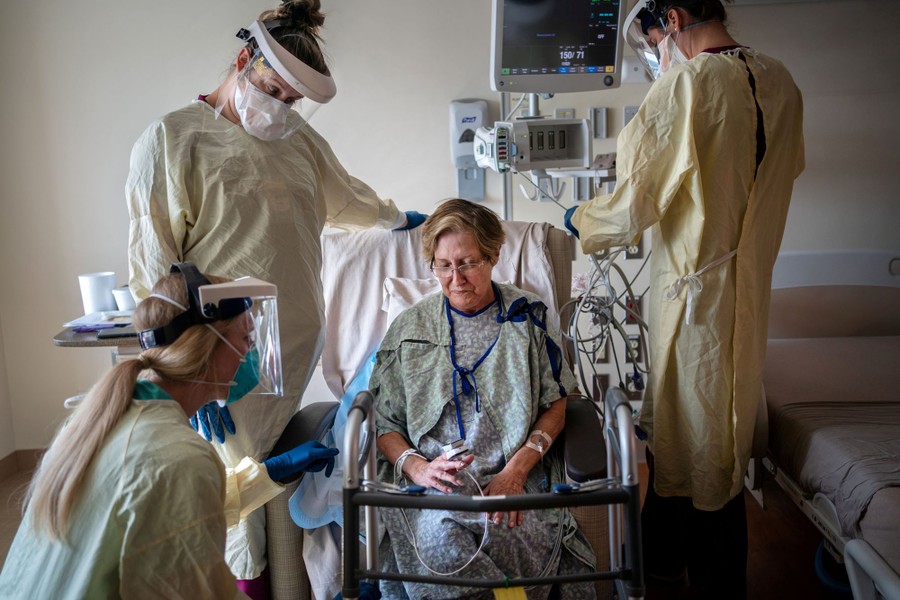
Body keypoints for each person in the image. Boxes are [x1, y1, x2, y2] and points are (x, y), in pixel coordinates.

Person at [125, 0, 425, 587]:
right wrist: (185, 374)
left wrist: (393, 217)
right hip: (218, 361)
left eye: (294, 101)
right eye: (272, 91)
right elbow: (153, 274)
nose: (281, 110)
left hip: (289, 357)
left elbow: (345, 195)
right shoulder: (173, 140)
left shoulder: (297, 139)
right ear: (244, 59)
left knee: (260, 488)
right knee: (234, 509)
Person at [565, 1, 804, 597]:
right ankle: (662, 559)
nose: (654, 52)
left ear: (670, 20)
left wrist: (580, 219)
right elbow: (783, 170)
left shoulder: (688, 84)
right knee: (689, 430)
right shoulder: (781, 80)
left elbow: (632, 206)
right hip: (747, 290)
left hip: (696, 297)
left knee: (701, 445)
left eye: (651, 38)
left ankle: (715, 581)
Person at [0, 264, 338, 599]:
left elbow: (163, 513)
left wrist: (268, 474)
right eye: (247, 339)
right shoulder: (179, 456)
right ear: (211, 347)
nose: (252, 353)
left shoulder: (99, 420)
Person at [370, 199, 596, 600]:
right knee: (442, 541)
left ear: (492, 257)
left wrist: (516, 471)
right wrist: (418, 469)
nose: (455, 278)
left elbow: (556, 403)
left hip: (511, 480)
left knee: (505, 535)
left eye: (468, 263)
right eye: (443, 265)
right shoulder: (408, 330)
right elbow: (385, 426)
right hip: (435, 489)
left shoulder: (526, 317)